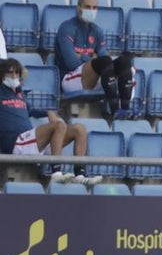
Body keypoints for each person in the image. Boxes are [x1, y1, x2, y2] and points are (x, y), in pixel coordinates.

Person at [1, 58, 102, 186]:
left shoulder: (19, 93)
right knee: (58, 125)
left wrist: (48, 112)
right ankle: (56, 173)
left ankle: (80, 175)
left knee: (79, 129)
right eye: (10, 73)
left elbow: (31, 110)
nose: (14, 76)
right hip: (16, 143)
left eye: (17, 72)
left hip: (32, 141)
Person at [54, 0, 135, 117]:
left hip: (93, 76)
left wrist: (83, 57)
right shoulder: (67, 28)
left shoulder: (97, 31)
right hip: (69, 79)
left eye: (94, 7)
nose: (91, 10)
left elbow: (104, 56)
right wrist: (92, 59)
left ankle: (125, 109)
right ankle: (114, 111)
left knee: (124, 62)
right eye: (87, 7)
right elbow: (71, 63)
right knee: (104, 63)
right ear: (78, 7)